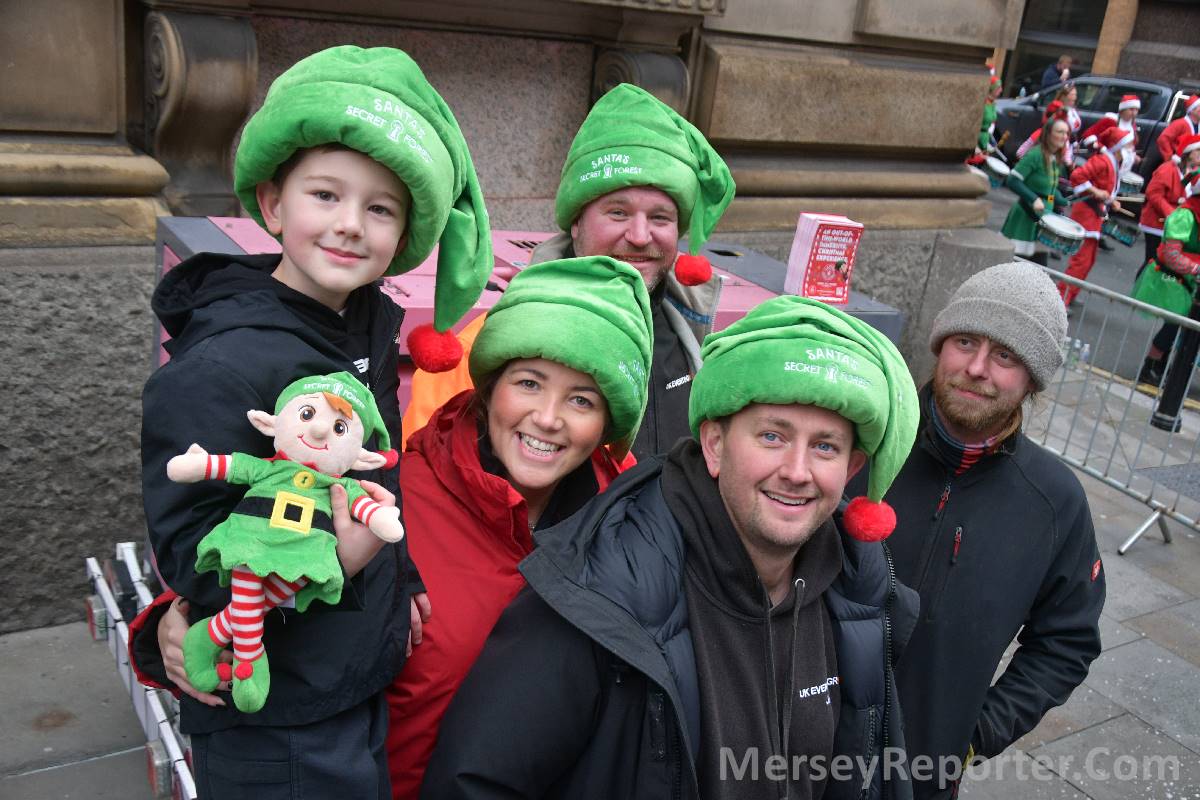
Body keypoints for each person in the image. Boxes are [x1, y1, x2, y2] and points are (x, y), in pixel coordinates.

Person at [132, 45, 492, 798]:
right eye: (326, 195)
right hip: (271, 704)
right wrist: (340, 559)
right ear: (273, 204)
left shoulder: (366, 324)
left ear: (405, 234)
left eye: (380, 208)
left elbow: (370, 469)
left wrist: (399, 571)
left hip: (348, 671)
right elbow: (194, 550)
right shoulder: (222, 364)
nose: (351, 225)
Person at [421, 295, 922, 800]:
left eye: (825, 447)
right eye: (772, 436)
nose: (797, 471)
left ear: (852, 468)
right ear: (714, 444)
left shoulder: (857, 589)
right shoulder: (600, 589)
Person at [385, 256, 653, 798]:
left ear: (607, 422)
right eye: (529, 383)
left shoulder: (632, 525)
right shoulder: (394, 503)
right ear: (490, 389)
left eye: (581, 399)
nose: (548, 418)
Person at [400, 83, 734, 462]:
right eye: (618, 213)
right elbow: (424, 472)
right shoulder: (484, 347)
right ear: (576, 222)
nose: (640, 236)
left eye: (660, 217)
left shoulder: (695, 335)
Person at [876, 261, 1105, 800]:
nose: (977, 368)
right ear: (941, 345)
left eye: (1005, 355)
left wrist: (974, 736)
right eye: (965, 342)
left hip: (920, 777)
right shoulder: (864, 439)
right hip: (786, 749)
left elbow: (1067, 640)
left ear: (1031, 380)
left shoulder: (1054, 502)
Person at [1137, 135, 1200, 384]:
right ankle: (1151, 366)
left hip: (1189, 278)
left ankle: (1170, 367)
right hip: (1171, 277)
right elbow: (1172, 255)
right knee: (1174, 323)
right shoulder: (1185, 216)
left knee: (1186, 326)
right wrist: (1196, 268)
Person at [1059, 125, 1130, 306]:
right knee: (1080, 261)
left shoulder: (1111, 162)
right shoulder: (1102, 160)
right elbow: (1077, 176)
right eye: (1126, 145)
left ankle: (1071, 294)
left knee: (1088, 261)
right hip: (1086, 214)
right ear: (1118, 147)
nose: (1130, 149)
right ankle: (1061, 299)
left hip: (1094, 215)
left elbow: (1103, 188)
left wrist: (1111, 201)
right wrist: (1096, 191)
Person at [1001, 116, 1070, 262]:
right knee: (1013, 265)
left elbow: (1048, 192)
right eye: (1060, 132)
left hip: (1043, 219)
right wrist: (1033, 199)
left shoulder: (1054, 158)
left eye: (1066, 133)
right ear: (1048, 134)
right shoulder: (1035, 155)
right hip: (1025, 216)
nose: (1064, 136)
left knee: (1038, 269)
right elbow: (1012, 180)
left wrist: (1059, 199)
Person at [1156, 94, 1200, 166]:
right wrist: (1170, 157)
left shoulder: (1198, 125)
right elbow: (1163, 139)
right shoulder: (1179, 123)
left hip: (1192, 163)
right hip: (1178, 162)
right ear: (1192, 110)